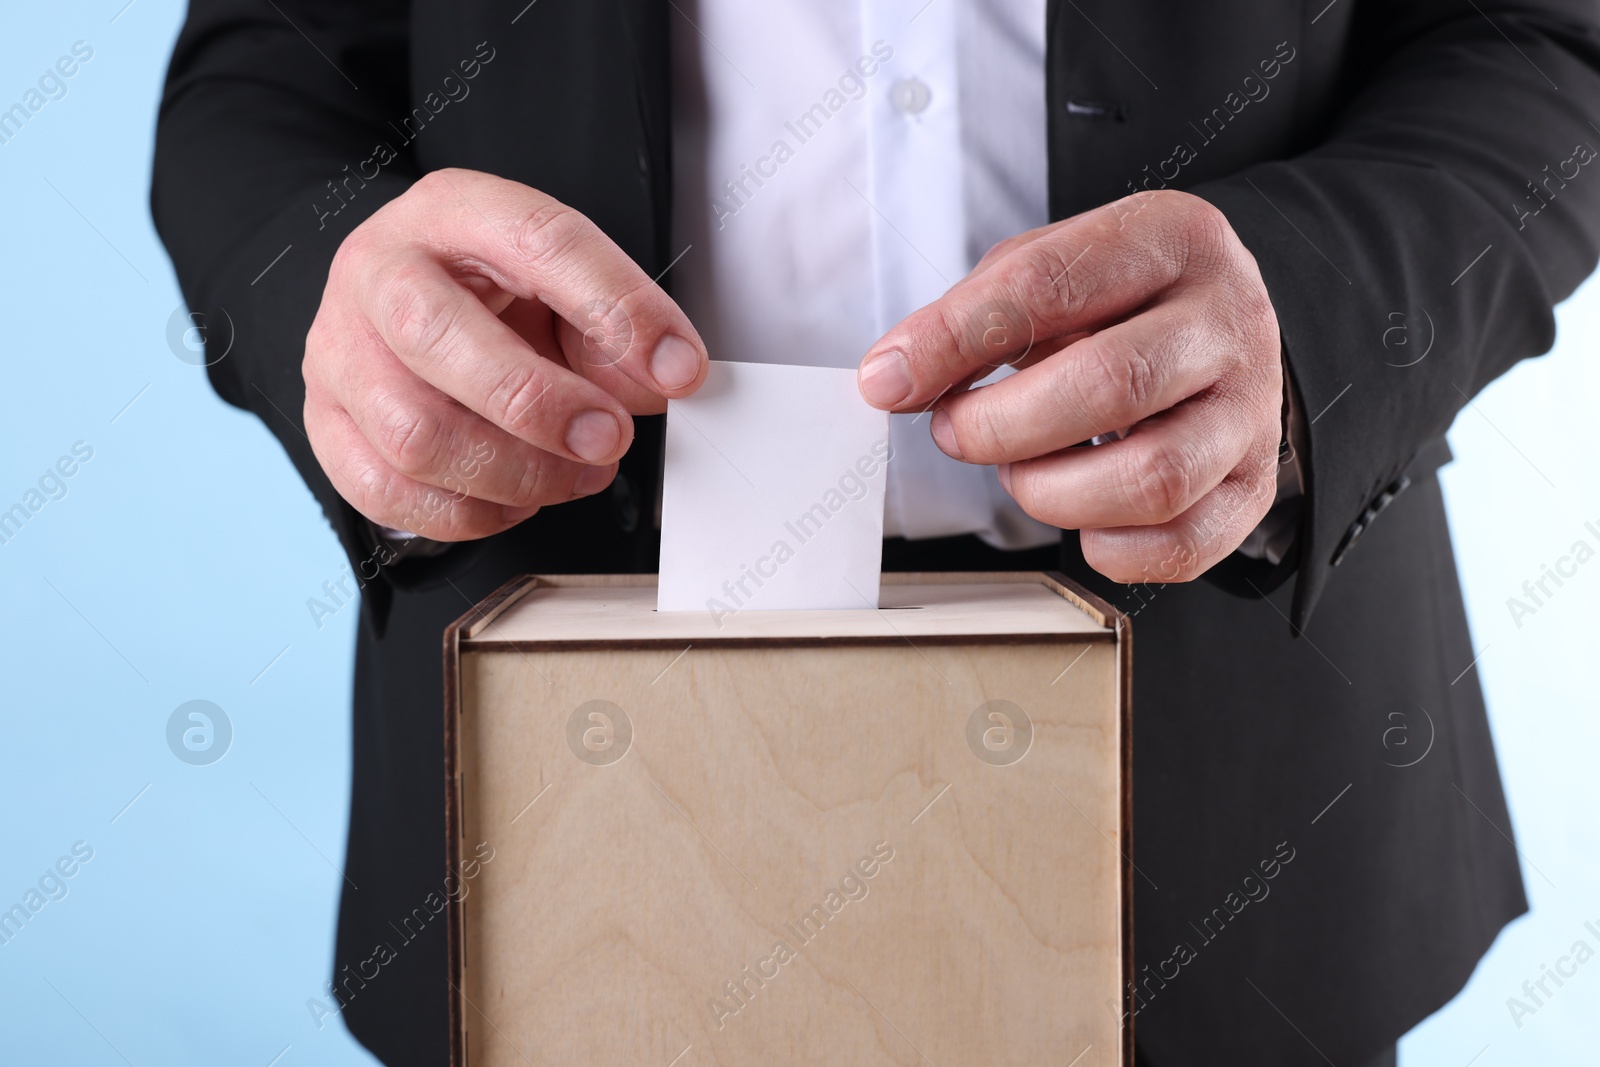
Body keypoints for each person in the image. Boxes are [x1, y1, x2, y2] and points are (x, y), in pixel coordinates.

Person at [151, 1, 1600, 1064]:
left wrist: (1310, 310)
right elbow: (259, 82)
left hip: (1237, 796)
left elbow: (1540, 46)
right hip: (569, 812)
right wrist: (335, 297)